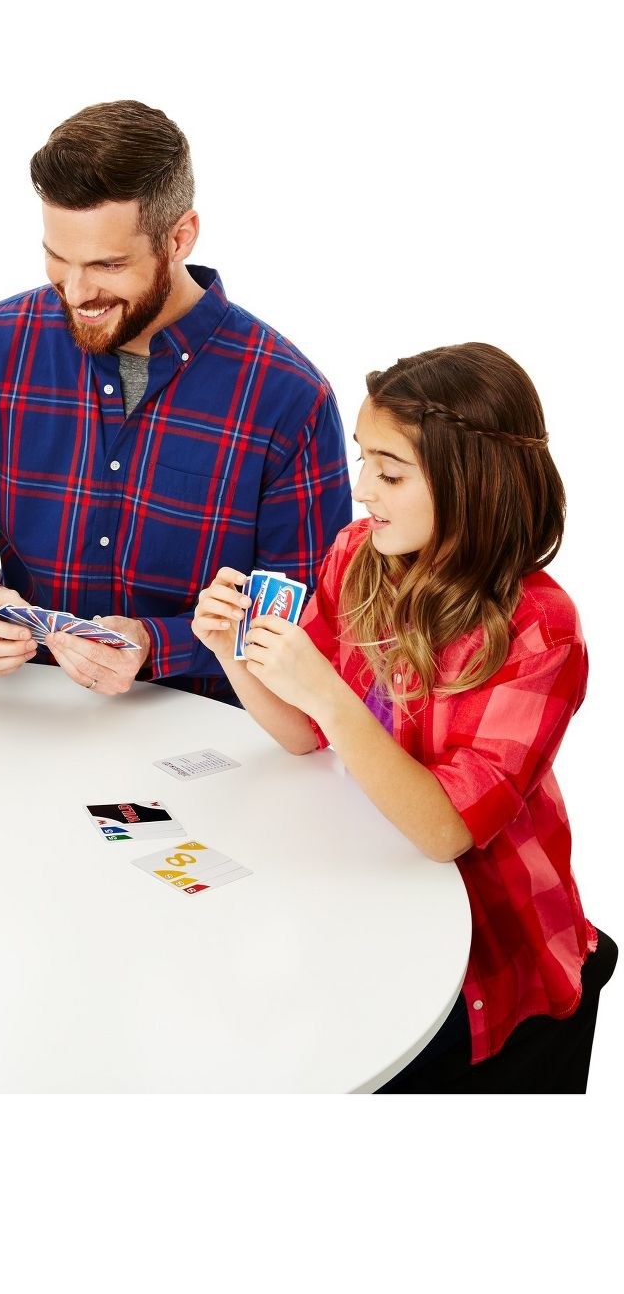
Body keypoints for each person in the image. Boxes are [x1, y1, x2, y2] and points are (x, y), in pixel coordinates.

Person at [193, 343, 606, 1090]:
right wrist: (231, 652)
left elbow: (446, 831)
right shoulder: (358, 554)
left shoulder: (542, 629)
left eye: (389, 473)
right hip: (376, 902)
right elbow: (300, 733)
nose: (360, 490)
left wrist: (326, 693)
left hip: (493, 950)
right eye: (362, 462)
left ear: (470, 484)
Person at [0, 100, 351, 704]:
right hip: (27, 714)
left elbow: (307, 613)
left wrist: (156, 643)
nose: (78, 291)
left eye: (108, 265)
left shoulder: (289, 398)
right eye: (59, 260)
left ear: (180, 237)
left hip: (212, 737)